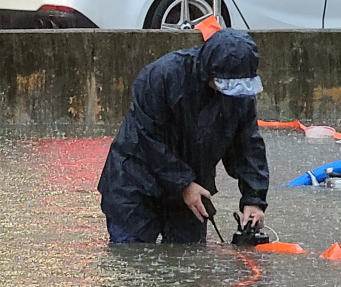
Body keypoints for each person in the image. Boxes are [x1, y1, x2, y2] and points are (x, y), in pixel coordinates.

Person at [97, 22, 269, 244]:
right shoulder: (161, 77)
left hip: (192, 191)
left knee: (190, 259)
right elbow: (149, 139)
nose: (233, 93)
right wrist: (184, 184)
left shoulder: (240, 98)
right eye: (227, 85)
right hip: (135, 184)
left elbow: (247, 146)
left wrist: (253, 199)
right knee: (133, 261)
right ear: (209, 71)